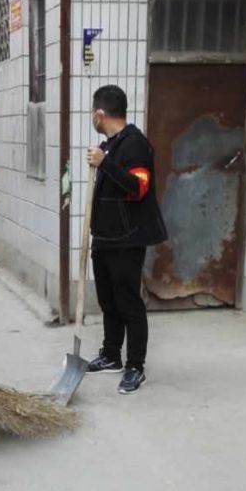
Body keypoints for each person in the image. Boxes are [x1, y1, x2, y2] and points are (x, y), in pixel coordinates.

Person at [86, 84, 168, 394]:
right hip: (105, 236)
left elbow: (139, 188)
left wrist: (105, 163)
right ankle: (111, 356)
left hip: (127, 238)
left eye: (92, 114)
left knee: (128, 303)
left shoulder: (134, 145)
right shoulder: (111, 144)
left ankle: (135, 365)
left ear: (100, 114)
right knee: (108, 301)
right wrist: (104, 158)